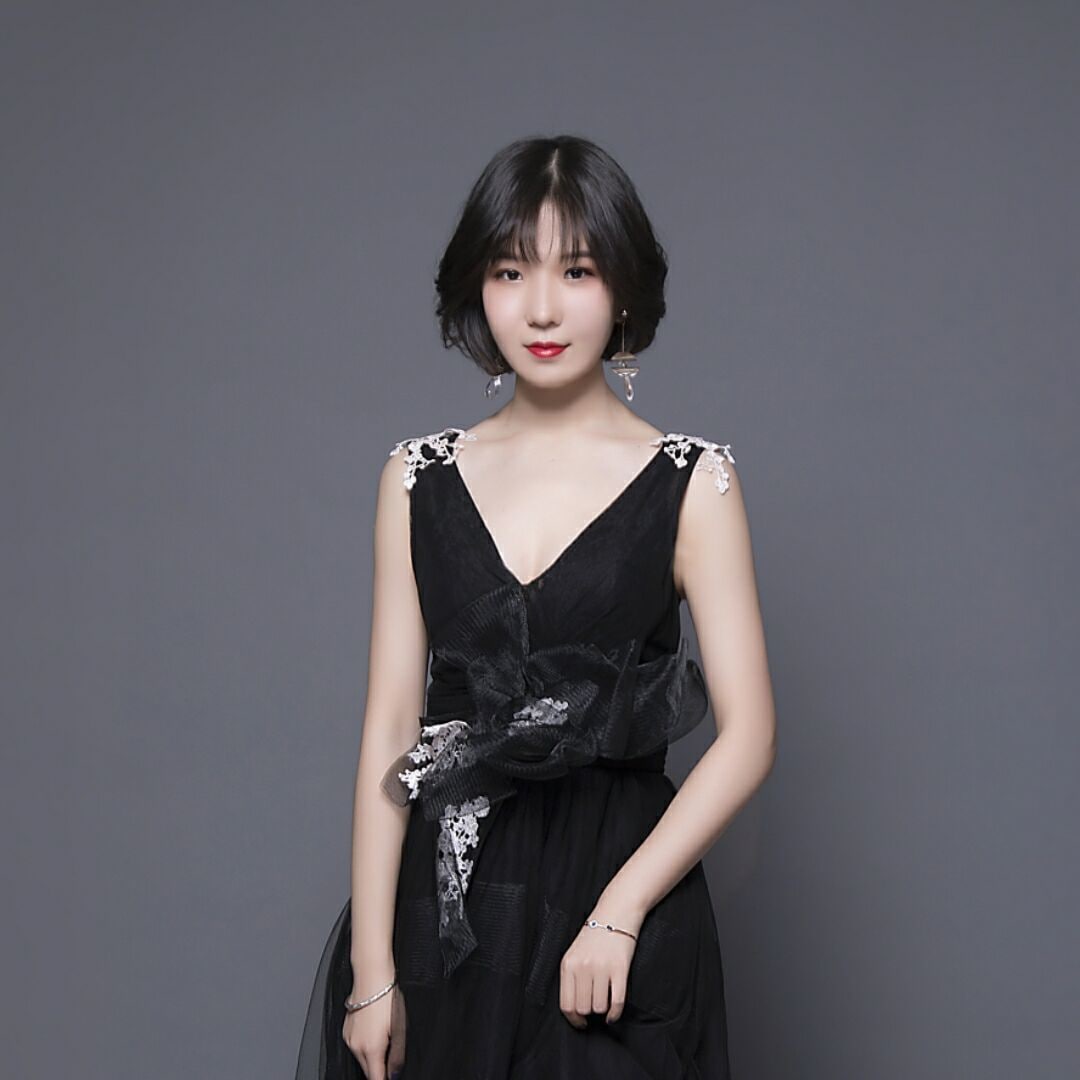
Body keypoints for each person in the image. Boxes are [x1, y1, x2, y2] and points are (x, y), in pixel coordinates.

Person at [294, 134, 776, 1080]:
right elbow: (392, 730)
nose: (542, 307)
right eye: (511, 271)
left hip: (617, 907)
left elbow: (750, 734)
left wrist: (621, 910)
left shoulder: (693, 483)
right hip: (451, 914)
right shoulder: (416, 479)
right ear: (477, 286)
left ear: (622, 288)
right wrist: (373, 968)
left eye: (577, 271)